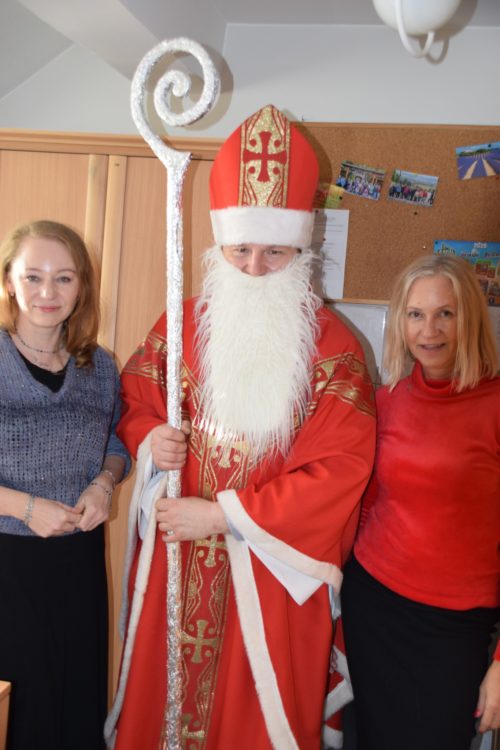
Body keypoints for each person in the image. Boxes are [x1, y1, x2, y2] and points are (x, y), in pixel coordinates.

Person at [105, 104, 376, 750]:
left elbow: (339, 471)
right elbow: (136, 398)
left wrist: (222, 516)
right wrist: (150, 439)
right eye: (241, 250)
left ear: (301, 250)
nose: (254, 266)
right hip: (177, 559)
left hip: (268, 578)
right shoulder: (180, 322)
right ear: (220, 247)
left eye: (274, 251)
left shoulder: (335, 349)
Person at [341, 253, 500, 750]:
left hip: (453, 629)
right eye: (415, 314)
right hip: (373, 606)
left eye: (444, 313)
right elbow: (368, 504)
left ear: (469, 318)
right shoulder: (388, 400)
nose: (429, 330)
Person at [0, 220, 130, 750]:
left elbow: (116, 444)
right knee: (19, 712)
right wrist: (25, 507)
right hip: (8, 564)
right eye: (32, 277)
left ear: (82, 287)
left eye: (64, 278)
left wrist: (105, 484)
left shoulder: (100, 367)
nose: (47, 292)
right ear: (9, 282)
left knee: (75, 705)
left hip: (78, 563)